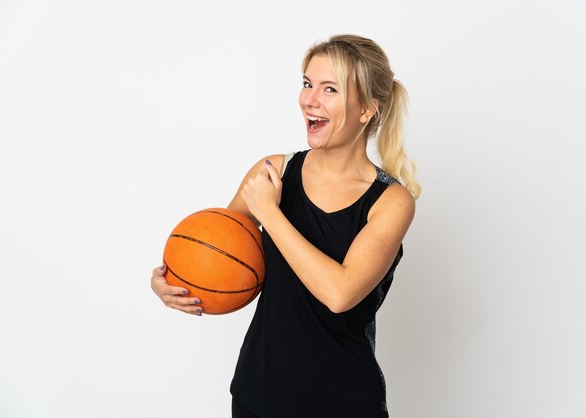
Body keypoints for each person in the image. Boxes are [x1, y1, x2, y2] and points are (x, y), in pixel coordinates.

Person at [151, 34, 421, 418]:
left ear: (366, 110)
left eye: (329, 89)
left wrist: (271, 214)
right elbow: (215, 254)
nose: (310, 99)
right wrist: (170, 282)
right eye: (308, 84)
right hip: (257, 394)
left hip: (341, 402)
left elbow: (339, 293)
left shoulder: (391, 202)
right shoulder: (274, 171)